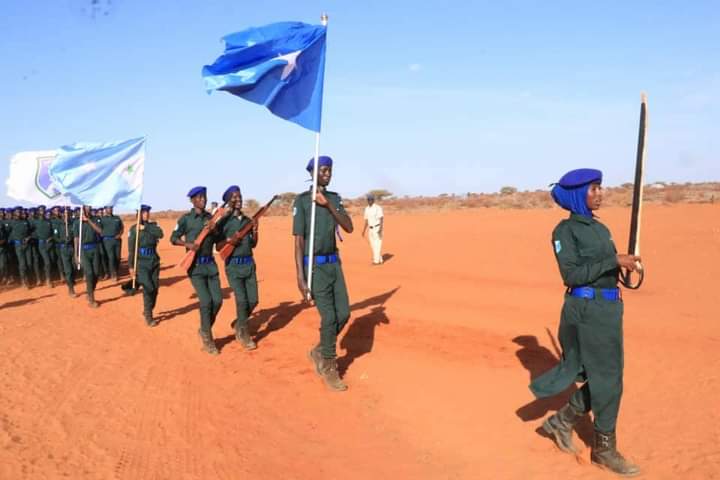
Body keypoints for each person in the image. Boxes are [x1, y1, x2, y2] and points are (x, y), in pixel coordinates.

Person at [529, 169, 641, 477]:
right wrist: (612, 261)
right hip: (585, 310)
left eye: (600, 188)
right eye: (594, 189)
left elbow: (604, 268)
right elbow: (572, 275)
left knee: (609, 377)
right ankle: (604, 449)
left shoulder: (599, 228)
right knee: (609, 379)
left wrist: (625, 265)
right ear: (579, 194)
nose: (601, 193)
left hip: (607, 310)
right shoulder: (564, 232)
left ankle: (560, 422)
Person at [293, 156, 354, 391]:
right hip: (314, 267)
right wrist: (300, 277)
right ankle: (329, 365)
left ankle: (319, 349)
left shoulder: (334, 199)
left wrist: (327, 205)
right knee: (329, 317)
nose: (328, 173)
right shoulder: (303, 202)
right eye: (323, 170)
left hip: (334, 265)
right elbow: (298, 242)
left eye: (330, 170)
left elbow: (348, 227)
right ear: (312, 172)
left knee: (344, 314)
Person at [171, 187, 228, 355]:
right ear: (193, 200)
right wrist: (188, 245)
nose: (203, 199)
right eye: (199, 197)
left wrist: (214, 228)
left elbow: (219, 240)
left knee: (217, 300)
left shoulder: (211, 218)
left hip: (210, 265)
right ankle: (208, 340)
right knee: (205, 301)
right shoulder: (186, 220)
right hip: (195, 266)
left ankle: (204, 329)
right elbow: (173, 238)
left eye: (204, 197)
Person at [218, 185, 259, 350]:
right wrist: (229, 241)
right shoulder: (224, 223)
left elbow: (254, 244)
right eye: (234, 197)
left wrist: (255, 231)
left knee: (254, 300)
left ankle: (239, 322)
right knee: (242, 301)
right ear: (228, 201)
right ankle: (243, 333)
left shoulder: (248, 221)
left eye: (239, 196)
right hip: (233, 267)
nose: (238, 199)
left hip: (249, 264)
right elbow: (219, 246)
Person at [128, 204, 163, 327]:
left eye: (147, 212)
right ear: (138, 214)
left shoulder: (153, 226)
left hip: (153, 260)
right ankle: (148, 315)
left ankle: (148, 309)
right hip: (141, 262)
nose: (146, 214)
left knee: (155, 288)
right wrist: (131, 267)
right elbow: (131, 250)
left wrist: (146, 228)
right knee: (148, 287)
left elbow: (160, 234)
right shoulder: (133, 230)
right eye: (143, 212)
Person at [74, 205, 104, 307]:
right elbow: (76, 239)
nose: (88, 209)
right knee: (89, 273)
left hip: (94, 249)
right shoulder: (77, 223)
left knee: (96, 274)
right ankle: (91, 299)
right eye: (86, 207)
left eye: (89, 207)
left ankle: (89, 290)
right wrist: (76, 254)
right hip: (84, 250)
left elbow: (100, 231)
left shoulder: (95, 219)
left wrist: (88, 221)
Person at [52, 206, 77, 297]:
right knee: (68, 270)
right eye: (65, 214)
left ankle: (71, 281)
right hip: (64, 248)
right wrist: (62, 240)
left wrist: (71, 239)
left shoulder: (72, 225)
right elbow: (55, 237)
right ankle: (71, 289)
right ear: (62, 214)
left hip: (72, 247)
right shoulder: (58, 226)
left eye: (68, 214)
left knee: (74, 267)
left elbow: (76, 235)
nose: (67, 215)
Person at [30, 205, 54, 287]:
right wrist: (32, 237)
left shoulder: (49, 221)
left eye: (43, 210)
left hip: (50, 244)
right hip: (41, 244)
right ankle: (48, 280)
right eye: (40, 210)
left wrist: (51, 238)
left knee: (51, 261)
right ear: (38, 212)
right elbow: (29, 231)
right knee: (47, 262)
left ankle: (46, 276)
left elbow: (53, 232)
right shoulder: (35, 222)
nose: (42, 211)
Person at [8, 206, 32, 288]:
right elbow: (7, 233)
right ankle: (24, 281)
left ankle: (28, 278)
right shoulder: (12, 222)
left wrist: (29, 237)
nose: (19, 213)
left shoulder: (26, 222)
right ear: (14, 213)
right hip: (18, 245)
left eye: (20, 211)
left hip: (27, 245)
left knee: (29, 263)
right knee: (22, 264)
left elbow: (30, 232)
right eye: (17, 212)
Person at [100, 205, 124, 281]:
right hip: (107, 241)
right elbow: (99, 229)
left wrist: (120, 234)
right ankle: (113, 274)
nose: (110, 209)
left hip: (117, 240)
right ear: (105, 209)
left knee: (118, 257)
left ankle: (116, 271)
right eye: (108, 208)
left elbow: (122, 228)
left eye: (111, 208)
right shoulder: (102, 219)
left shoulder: (117, 218)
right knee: (111, 257)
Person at [361, 193, 384, 265]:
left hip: (377, 228)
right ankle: (380, 259)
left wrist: (380, 229)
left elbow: (381, 218)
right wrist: (364, 230)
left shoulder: (378, 208)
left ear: (373, 200)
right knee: (373, 245)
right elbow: (366, 220)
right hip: (370, 229)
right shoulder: (366, 209)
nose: (369, 201)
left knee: (377, 244)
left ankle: (376, 261)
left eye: (371, 199)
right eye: (368, 199)